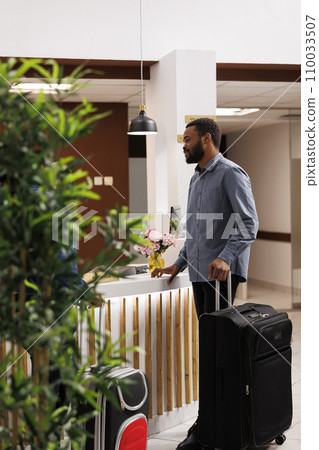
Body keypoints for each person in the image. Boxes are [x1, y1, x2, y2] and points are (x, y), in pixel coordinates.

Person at [151, 118, 258, 450]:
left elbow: (249, 222)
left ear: (207, 139)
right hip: (200, 275)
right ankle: (218, 420)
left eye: (188, 139)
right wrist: (177, 265)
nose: (183, 144)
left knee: (216, 353)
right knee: (214, 351)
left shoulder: (230, 173)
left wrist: (226, 256)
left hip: (219, 278)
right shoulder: (197, 178)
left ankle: (211, 427)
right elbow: (197, 235)